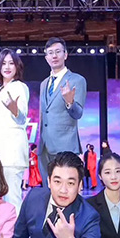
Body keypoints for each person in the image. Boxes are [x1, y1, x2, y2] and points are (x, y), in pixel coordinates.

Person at [37, 37, 87, 185]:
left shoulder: (77, 80)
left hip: (65, 146)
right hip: (44, 147)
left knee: (66, 189)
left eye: (58, 52)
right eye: (50, 53)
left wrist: (70, 102)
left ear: (65, 55)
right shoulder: (44, 83)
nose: (54, 56)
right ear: (46, 57)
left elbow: (78, 113)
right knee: (48, 189)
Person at [0, 49, 30, 214]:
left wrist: (15, 110)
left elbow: (22, 118)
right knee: (0, 199)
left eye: (11, 63)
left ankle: (17, 230)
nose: (7, 67)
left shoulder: (19, 87)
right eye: (4, 63)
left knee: (12, 198)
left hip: (11, 153)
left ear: (17, 66)